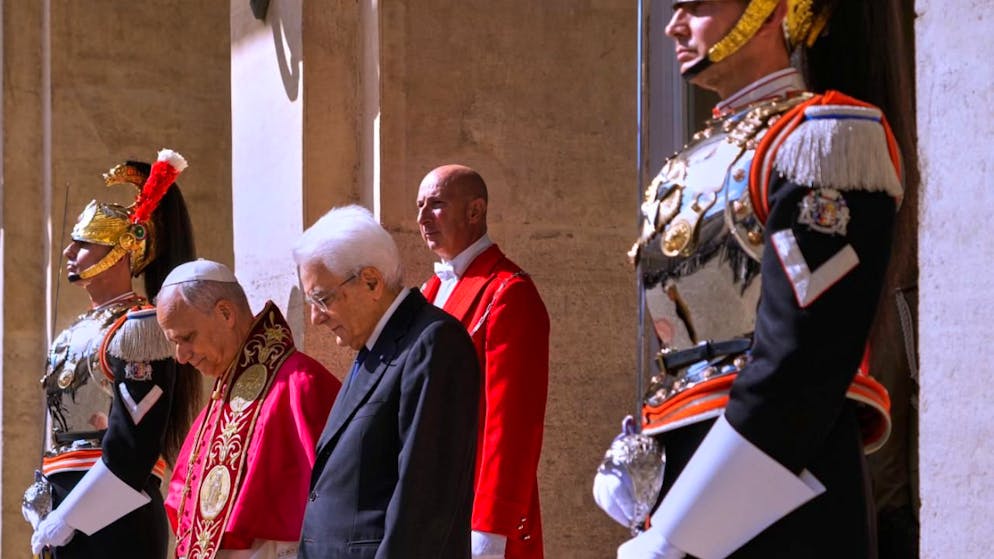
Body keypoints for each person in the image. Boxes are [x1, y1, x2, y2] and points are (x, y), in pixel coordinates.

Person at [593, 1, 907, 557]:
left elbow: (802, 361)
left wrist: (684, 528)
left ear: (770, 11)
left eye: (698, 6)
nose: (674, 25)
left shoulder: (821, 139)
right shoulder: (696, 157)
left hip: (780, 481)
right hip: (696, 471)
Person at [29, 150, 201, 558]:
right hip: (63, 507)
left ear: (124, 248)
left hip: (115, 516)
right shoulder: (75, 331)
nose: (69, 253)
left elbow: (132, 447)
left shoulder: (139, 327)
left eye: (84, 243)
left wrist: (71, 515)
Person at [293, 204, 480, 559]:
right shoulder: (373, 345)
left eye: (322, 298)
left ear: (371, 282)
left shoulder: (433, 343)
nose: (315, 317)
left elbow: (424, 503)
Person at [155, 260, 340, 559]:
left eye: (187, 338)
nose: (181, 356)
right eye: (174, 343)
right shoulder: (218, 403)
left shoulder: (302, 385)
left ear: (225, 313)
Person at [416, 164, 550, 559]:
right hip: (428, 503)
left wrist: (491, 527)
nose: (422, 218)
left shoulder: (509, 292)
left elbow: (512, 424)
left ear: (475, 211)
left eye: (436, 205)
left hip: (475, 507)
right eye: (419, 205)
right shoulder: (429, 291)